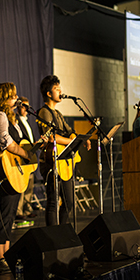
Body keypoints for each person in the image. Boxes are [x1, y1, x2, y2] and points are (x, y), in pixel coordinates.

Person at [0, 83, 32, 272]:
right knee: (3, 211)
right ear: (4, 98)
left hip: (10, 168)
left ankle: (6, 253)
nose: (16, 98)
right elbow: (5, 141)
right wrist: (25, 154)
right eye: (13, 96)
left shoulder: (11, 118)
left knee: (9, 212)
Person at [38, 75, 91, 226]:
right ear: (48, 93)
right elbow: (51, 137)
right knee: (53, 202)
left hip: (64, 163)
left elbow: (70, 131)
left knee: (69, 202)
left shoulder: (58, 114)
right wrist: (73, 141)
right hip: (51, 161)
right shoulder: (44, 112)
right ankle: (54, 235)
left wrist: (79, 138)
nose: (60, 91)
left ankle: (61, 231)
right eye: (56, 89)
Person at [16, 96, 37, 224]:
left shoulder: (27, 121)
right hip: (22, 156)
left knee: (30, 184)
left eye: (27, 106)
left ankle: (27, 208)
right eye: (23, 106)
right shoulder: (17, 121)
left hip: (30, 155)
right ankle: (19, 211)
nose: (25, 109)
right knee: (23, 185)